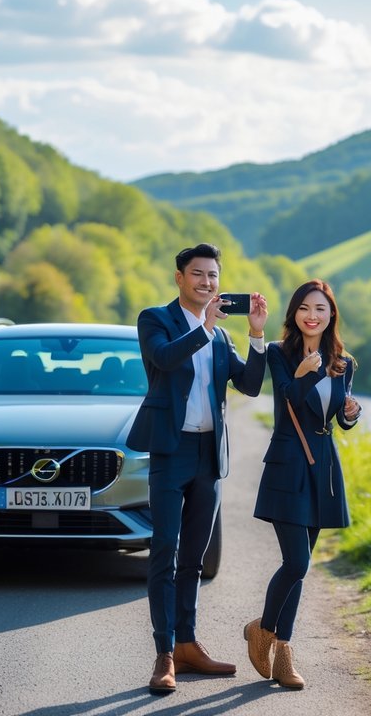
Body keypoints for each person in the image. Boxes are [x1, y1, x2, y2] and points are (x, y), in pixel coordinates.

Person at [126, 243, 269, 695]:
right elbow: (163, 360)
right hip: (171, 452)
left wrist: (257, 336)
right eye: (198, 275)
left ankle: (188, 645)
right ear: (179, 278)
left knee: (194, 558)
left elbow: (248, 385)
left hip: (209, 456)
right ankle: (164, 654)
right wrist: (204, 329)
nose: (207, 283)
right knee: (165, 552)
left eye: (213, 276)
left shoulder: (223, 338)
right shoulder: (156, 320)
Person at [245, 279, 361, 689]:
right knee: (297, 562)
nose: (312, 315)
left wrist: (351, 411)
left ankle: (283, 653)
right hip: (288, 465)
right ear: (294, 314)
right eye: (304, 308)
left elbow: (337, 421)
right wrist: (307, 373)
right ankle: (263, 632)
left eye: (321, 309)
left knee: (301, 569)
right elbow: (288, 400)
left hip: (322, 467)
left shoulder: (344, 362)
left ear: (331, 316)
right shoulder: (279, 353)